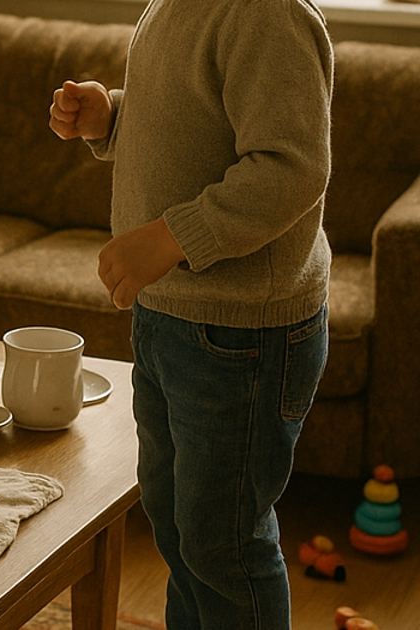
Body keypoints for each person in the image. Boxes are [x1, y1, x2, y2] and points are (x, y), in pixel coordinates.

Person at [49, 1, 332, 628]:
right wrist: (112, 118)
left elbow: (292, 167)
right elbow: (189, 124)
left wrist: (169, 237)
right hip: (169, 315)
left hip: (243, 334)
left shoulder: (266, 14)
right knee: (180, 531)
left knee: (222, 546)